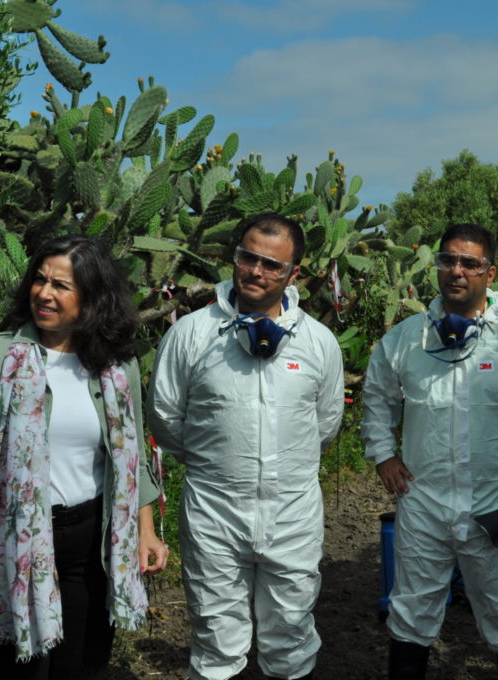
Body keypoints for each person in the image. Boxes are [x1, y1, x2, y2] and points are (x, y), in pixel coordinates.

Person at [0, 234, 168, 679]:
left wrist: (146, 532)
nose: (44, 293)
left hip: (91, 543)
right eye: (40, 280)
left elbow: (133, 459)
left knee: (81, 669)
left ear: (94, 297)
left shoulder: (118, 366)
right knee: (19, 672)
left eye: (61, 285)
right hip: (13, 542)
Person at [362, 222, 498, 680]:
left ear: (489, 273)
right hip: (424, 502)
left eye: (470, 263)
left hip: (497, 506)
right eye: (448, 260)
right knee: (411, 615)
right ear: (436, 266)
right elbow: (376, 397)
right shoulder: (405, 339)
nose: (456, 271)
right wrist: (382, 453)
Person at [147, 213, 345, 680]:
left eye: (272, 265)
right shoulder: (191, 334)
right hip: (214, 513)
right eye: (248, 257)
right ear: (234, 258)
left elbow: (327, 422)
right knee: (216, 643)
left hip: (293, 515)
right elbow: (166, 418)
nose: (256, 271)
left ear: (294, 274)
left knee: (291, 640)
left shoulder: (318, 342)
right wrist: (218, 466)